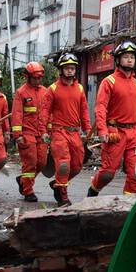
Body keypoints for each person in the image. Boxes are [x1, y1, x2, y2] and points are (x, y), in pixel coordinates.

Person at [89, 41, 136, 197]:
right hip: (115, 133)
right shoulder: (109, 82)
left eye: (132, 57)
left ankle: (128, 204)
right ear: (118, 60)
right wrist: (102, 129)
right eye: (126, 57)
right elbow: (100, 108)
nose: (129, 60)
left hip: (133, 133)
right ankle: (93, 190)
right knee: (108, 173)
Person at [40, 53, 89, 207]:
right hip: (58, 132)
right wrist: (43, 131)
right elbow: (45, 112)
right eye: (67, 68)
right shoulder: (52, 89)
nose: (70, 71)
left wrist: (87, 129)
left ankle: (57, 184)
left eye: (72, 68)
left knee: (76, 166)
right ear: (61, 70)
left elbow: (84, 111)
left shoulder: (80, 88)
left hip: (75, 133)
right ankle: (63, 196)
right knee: (63, 165)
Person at [11, 61, 49, 202]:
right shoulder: (21, 92)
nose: (38, 81)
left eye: (40, 78)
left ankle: (23, 180)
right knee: (30, 162)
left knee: (42, 163)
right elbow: (17, 114)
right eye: (35, 78)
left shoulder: (45, 91)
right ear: (28, 77)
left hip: (41, 133)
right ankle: (28, 191)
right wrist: (17, 135)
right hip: (27, 133)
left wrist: (48, 130)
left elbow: (48, 113)